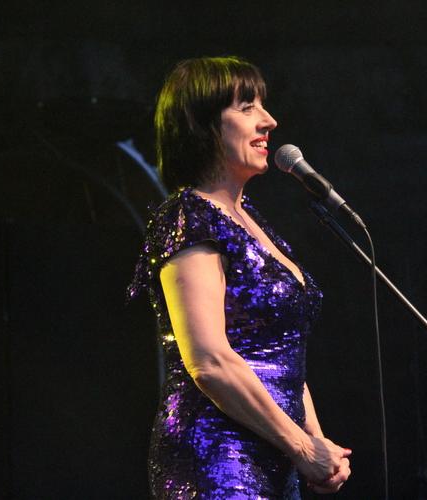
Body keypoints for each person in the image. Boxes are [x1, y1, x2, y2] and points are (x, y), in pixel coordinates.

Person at [127, 56, 351, 498]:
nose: (269, 121)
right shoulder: (190, 217)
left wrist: (317, 444)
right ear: (203, 124)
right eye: (247, 108)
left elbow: (284, 354)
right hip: (219, 456)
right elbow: (209, 360)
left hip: (276, 455)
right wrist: (303, 447)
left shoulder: (251, 220)